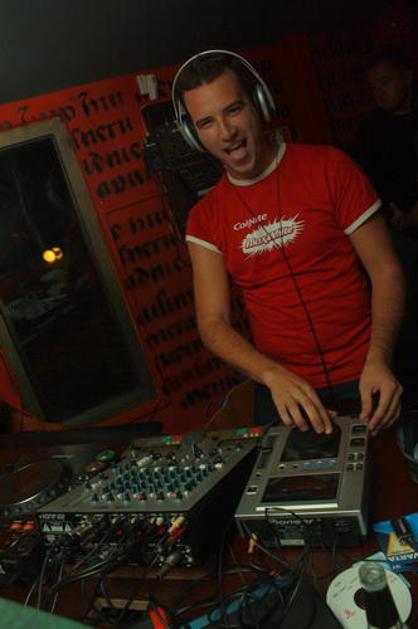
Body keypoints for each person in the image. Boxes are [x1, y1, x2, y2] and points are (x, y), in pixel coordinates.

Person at [172, 50, 405, 435]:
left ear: (259, 102)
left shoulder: (331, 167)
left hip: (368, 374)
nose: (226, 132)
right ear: (193, 134)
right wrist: (272, 376)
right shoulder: (204, 218)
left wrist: (379, 359)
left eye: (233, 110)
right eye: (207, 122)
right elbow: (212, 323)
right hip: (284, 391)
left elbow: (386, 270)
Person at [353, 50, 418, 404]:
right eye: (373, 86)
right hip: (397, 242)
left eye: (386, 81)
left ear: (407, 77)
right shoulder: (370, 131)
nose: (379, 91)